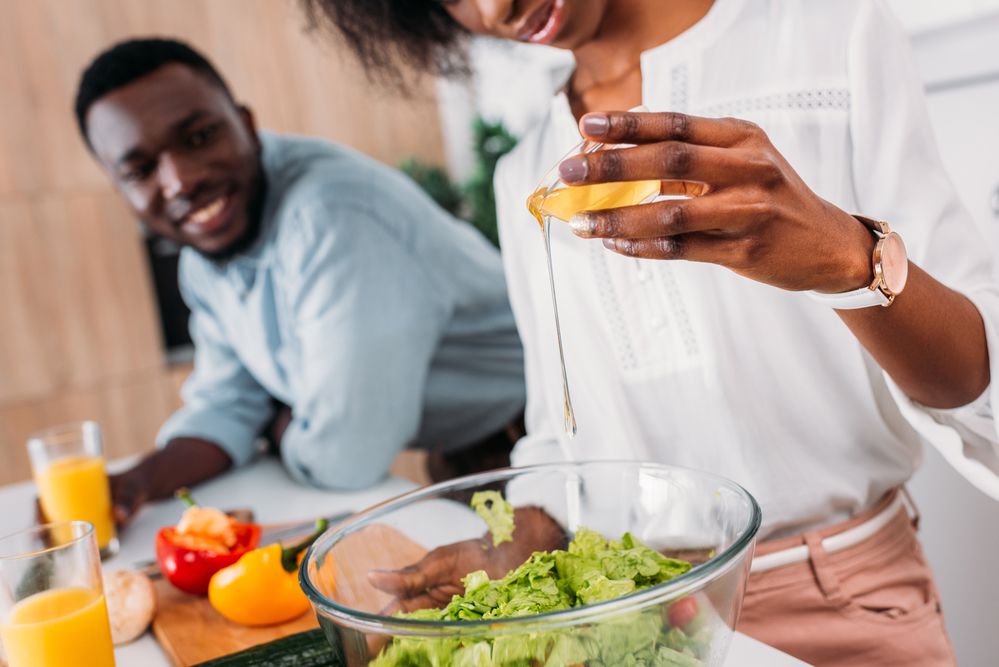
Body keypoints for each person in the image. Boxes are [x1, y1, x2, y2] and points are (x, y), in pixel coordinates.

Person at [300, 1, 999, 665]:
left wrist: (847, 256)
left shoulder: (826, 39)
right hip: (629, 623)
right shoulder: (528, 171)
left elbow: (973, 378)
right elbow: (561, 432)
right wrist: (521, 541)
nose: (495, 10)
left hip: (843, 604)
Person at [74, 38, 526, 523]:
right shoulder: (205, 257)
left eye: (201, 136)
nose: (180, 181)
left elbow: (347, 454)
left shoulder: (331, 215)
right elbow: (229, 404)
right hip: (466, 454)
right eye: (141, 170)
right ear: (121, 190)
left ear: (246, 124)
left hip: (537, 438)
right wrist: (137, 482)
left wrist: (281, 424)